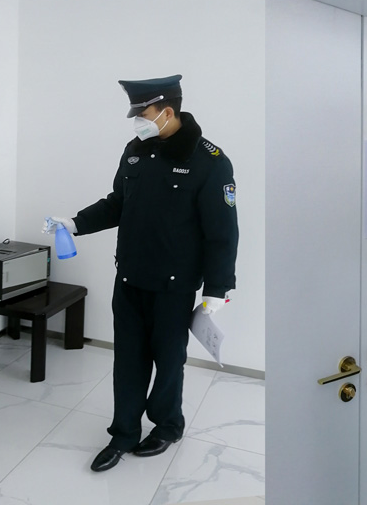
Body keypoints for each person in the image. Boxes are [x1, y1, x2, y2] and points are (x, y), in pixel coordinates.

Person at [45, 75, 238, 472]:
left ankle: (167, 426)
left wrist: (217, 288)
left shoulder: (209, 160)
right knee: (128, 362)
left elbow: (222, 232)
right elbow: (118, 202)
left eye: (143, 113)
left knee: (169, 363)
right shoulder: (135, 151)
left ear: (167, 111)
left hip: (174, 286)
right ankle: (124, 433)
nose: (137, 121)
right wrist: (76, 223)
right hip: (130, 279)